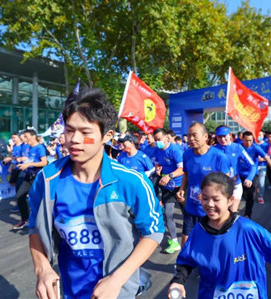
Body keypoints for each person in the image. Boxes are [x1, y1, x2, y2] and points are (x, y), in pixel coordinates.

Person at [28, 88, 164, 299]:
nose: (74, 139)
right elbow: (34, 229)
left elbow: (153, 232)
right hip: (68, 290)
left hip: (116, 292)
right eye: (69, 130)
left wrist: (117, 280)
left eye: (85, 133)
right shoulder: (46, 180)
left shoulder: (131, 182)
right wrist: (42, 268)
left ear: (107, 136)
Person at [168, 172, 271, 299]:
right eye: (205, 198)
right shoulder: (198, 230)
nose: (209, 204)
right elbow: (186, 261)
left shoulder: (248, 229)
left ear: (230, 201)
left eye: (216, 199)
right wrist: (178, 281)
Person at [177, 123, 230, 246]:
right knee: (186, 238)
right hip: (191, 205)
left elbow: (226, 182)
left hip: (210, 208)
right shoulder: (187, 154)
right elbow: (186, 173)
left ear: (205, 136)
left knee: (210, 242)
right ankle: (184, 263)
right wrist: (182, 189)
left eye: (194, 135)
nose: (190, 139)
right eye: (189, 135)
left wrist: (209, 194)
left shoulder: (218, 156)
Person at [153, 128, 185, 254]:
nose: (157, 143)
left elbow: (182, 169)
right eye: (155, 140)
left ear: (166, 138)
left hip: (180, 186)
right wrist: (158, 169)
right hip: (167, 187)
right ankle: (175, 242)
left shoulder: (175, 150)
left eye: (159, 140)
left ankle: (195, 236)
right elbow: (158, 163)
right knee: (168, 214)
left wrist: (169, 176)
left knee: (187, 215)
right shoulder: (158, 150)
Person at [12, 129, 48, 230]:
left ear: (33, 137)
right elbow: (29, 159)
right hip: (27, 175)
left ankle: (44, 222)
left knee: (39, 199)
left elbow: (44, 162)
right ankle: (25, 219)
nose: (24, 139)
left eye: (26, 136)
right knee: (19, 196)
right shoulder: (28, 148)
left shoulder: (40, 147)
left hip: (37, 177)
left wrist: (29, 164)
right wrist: (22, 162)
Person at [213, 125, 253, 212]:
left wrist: (249, 178)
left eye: (225, 136)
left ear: (230, 135)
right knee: (220, 212)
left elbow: (252, 165)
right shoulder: (213, 150)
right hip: (219, 186)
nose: (223, 139)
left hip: (235, 185)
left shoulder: (237, 147)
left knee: (232, 212)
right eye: (220, 137)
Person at [241, 131, 271, 212]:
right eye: (246, 140)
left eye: (250, 140)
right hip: (240, 174)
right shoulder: (239, 147)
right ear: (242, 139)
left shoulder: (256, 147)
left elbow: (267, 158)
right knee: (244, 195)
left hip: (253, 173)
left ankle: (248, 213)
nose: (249, 142)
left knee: (254, 191)